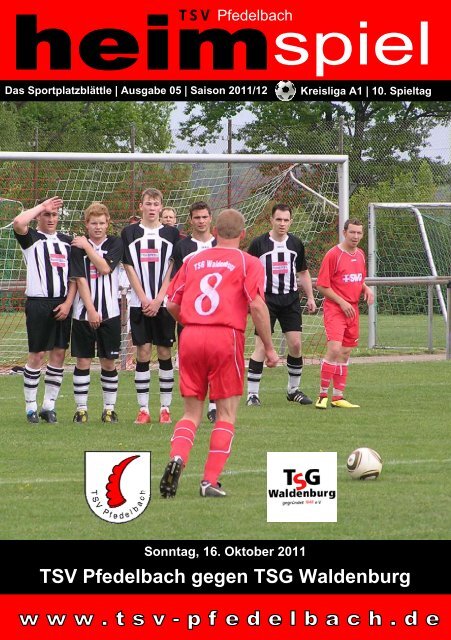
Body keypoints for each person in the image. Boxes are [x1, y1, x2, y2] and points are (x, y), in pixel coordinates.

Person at [160, 208, 279, 499]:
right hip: (225, 336)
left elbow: (171, 303)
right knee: (226, 413)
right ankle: (209, 481)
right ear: (243, 234)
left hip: (191, 335)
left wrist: (192, 324)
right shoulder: (248, 262)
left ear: (214, 232)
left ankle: (178, 457)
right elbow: (257, 306)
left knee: (191, 413)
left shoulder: (193, 260)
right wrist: (269, 347)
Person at [13, 196, 76, 424]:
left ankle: (49, 407)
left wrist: (68, 303)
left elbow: (75, 277)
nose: (50, 218)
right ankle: (31, 407)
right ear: (38, 217)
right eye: (46, 215)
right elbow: (18, 222)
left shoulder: (68, 241)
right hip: (38, 303)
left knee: (58, 354)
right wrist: (41, 206)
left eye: (54, 214)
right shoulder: (32, 238)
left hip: (62, 303)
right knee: (37, 355)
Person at [246, 203, 316, 407]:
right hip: (265, 301)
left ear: (291, 222)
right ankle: (252, 394)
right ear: (271, 220)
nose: (282, 223)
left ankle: (293, 390)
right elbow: (247, 271)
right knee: (261, 346)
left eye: (286, 220)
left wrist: (310, 297)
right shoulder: (259, 244)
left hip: (290, 300)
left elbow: (303, 272)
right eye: (278, 219)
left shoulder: (296, 244)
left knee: (296, 345)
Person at [121, 188, 180, 424]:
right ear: (141, 206)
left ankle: (165, 409)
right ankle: (143, 409)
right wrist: (144, 298)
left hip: (163, 304)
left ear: (161, 206)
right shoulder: (129, 232)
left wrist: (158, 299)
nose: (152, 207)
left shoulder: (172, 234)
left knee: (165, 352)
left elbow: (173, 268)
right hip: (139, 303)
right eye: (148, 203)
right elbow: (128, 266)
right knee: (143, 352)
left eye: (156, 204)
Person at [70, 202, 123, 423]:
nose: (98, 227)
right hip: (83, 313)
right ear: (87, 224)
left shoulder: (116, 243)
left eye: (101, 223)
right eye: (94, 223)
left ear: (107, 223)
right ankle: (81, 410)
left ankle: (109, 409)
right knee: (83, 361)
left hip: (110, 313)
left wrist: (87, 246)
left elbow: (104, 268)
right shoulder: (76, 247)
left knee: (108, 362)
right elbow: (80, 280)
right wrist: (91, 310)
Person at [315, 218, 374, 409]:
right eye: (352, 232)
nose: (355, 236)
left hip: (352, 310)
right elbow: (322, 285)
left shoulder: (361, 254)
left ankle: (338, 397)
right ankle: (322, 395)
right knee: (334, 349)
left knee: (346, 352)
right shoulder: (333, 255)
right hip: (335, 309)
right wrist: (341, 301)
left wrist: (365, 288)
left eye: (359, 233)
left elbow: (356, 278)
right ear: (344, 232)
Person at [170, 201, 217, 423]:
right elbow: (177, 282)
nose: (201, 221)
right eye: (197, 217)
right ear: (190, 220)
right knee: (191, 363)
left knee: (215, 361)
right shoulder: (182, 247)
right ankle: (192, 407)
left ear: (211, 218)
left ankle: (214, 405)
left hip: (216, 313)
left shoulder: (219, 244)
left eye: (204, 217)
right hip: (190, 314)